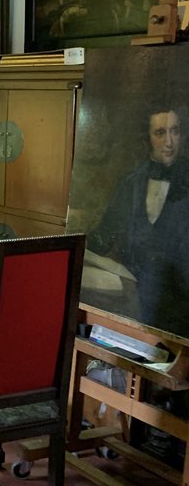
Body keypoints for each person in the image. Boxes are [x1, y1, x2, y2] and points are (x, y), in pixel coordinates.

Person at [87, 102, 189, 334]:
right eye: (160, 133)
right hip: (134, 301)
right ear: (147, 138)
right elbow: (104, 236)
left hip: (181, 304)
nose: (169, 142)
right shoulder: (130, 183)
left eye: (175, 131)